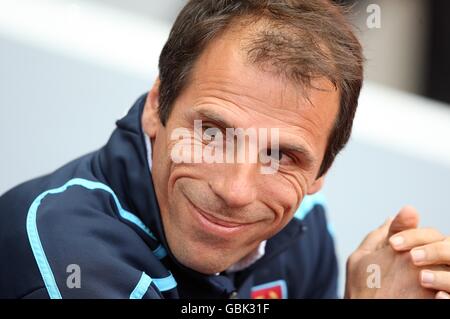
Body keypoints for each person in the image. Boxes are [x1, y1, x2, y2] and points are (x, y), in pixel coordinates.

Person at [0, 0, 449, 299]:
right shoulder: (66, 262)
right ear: (157, 106)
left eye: (281, 157)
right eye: (212, 134)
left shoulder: (305, 231)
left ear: (321, 173)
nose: (236, 191)